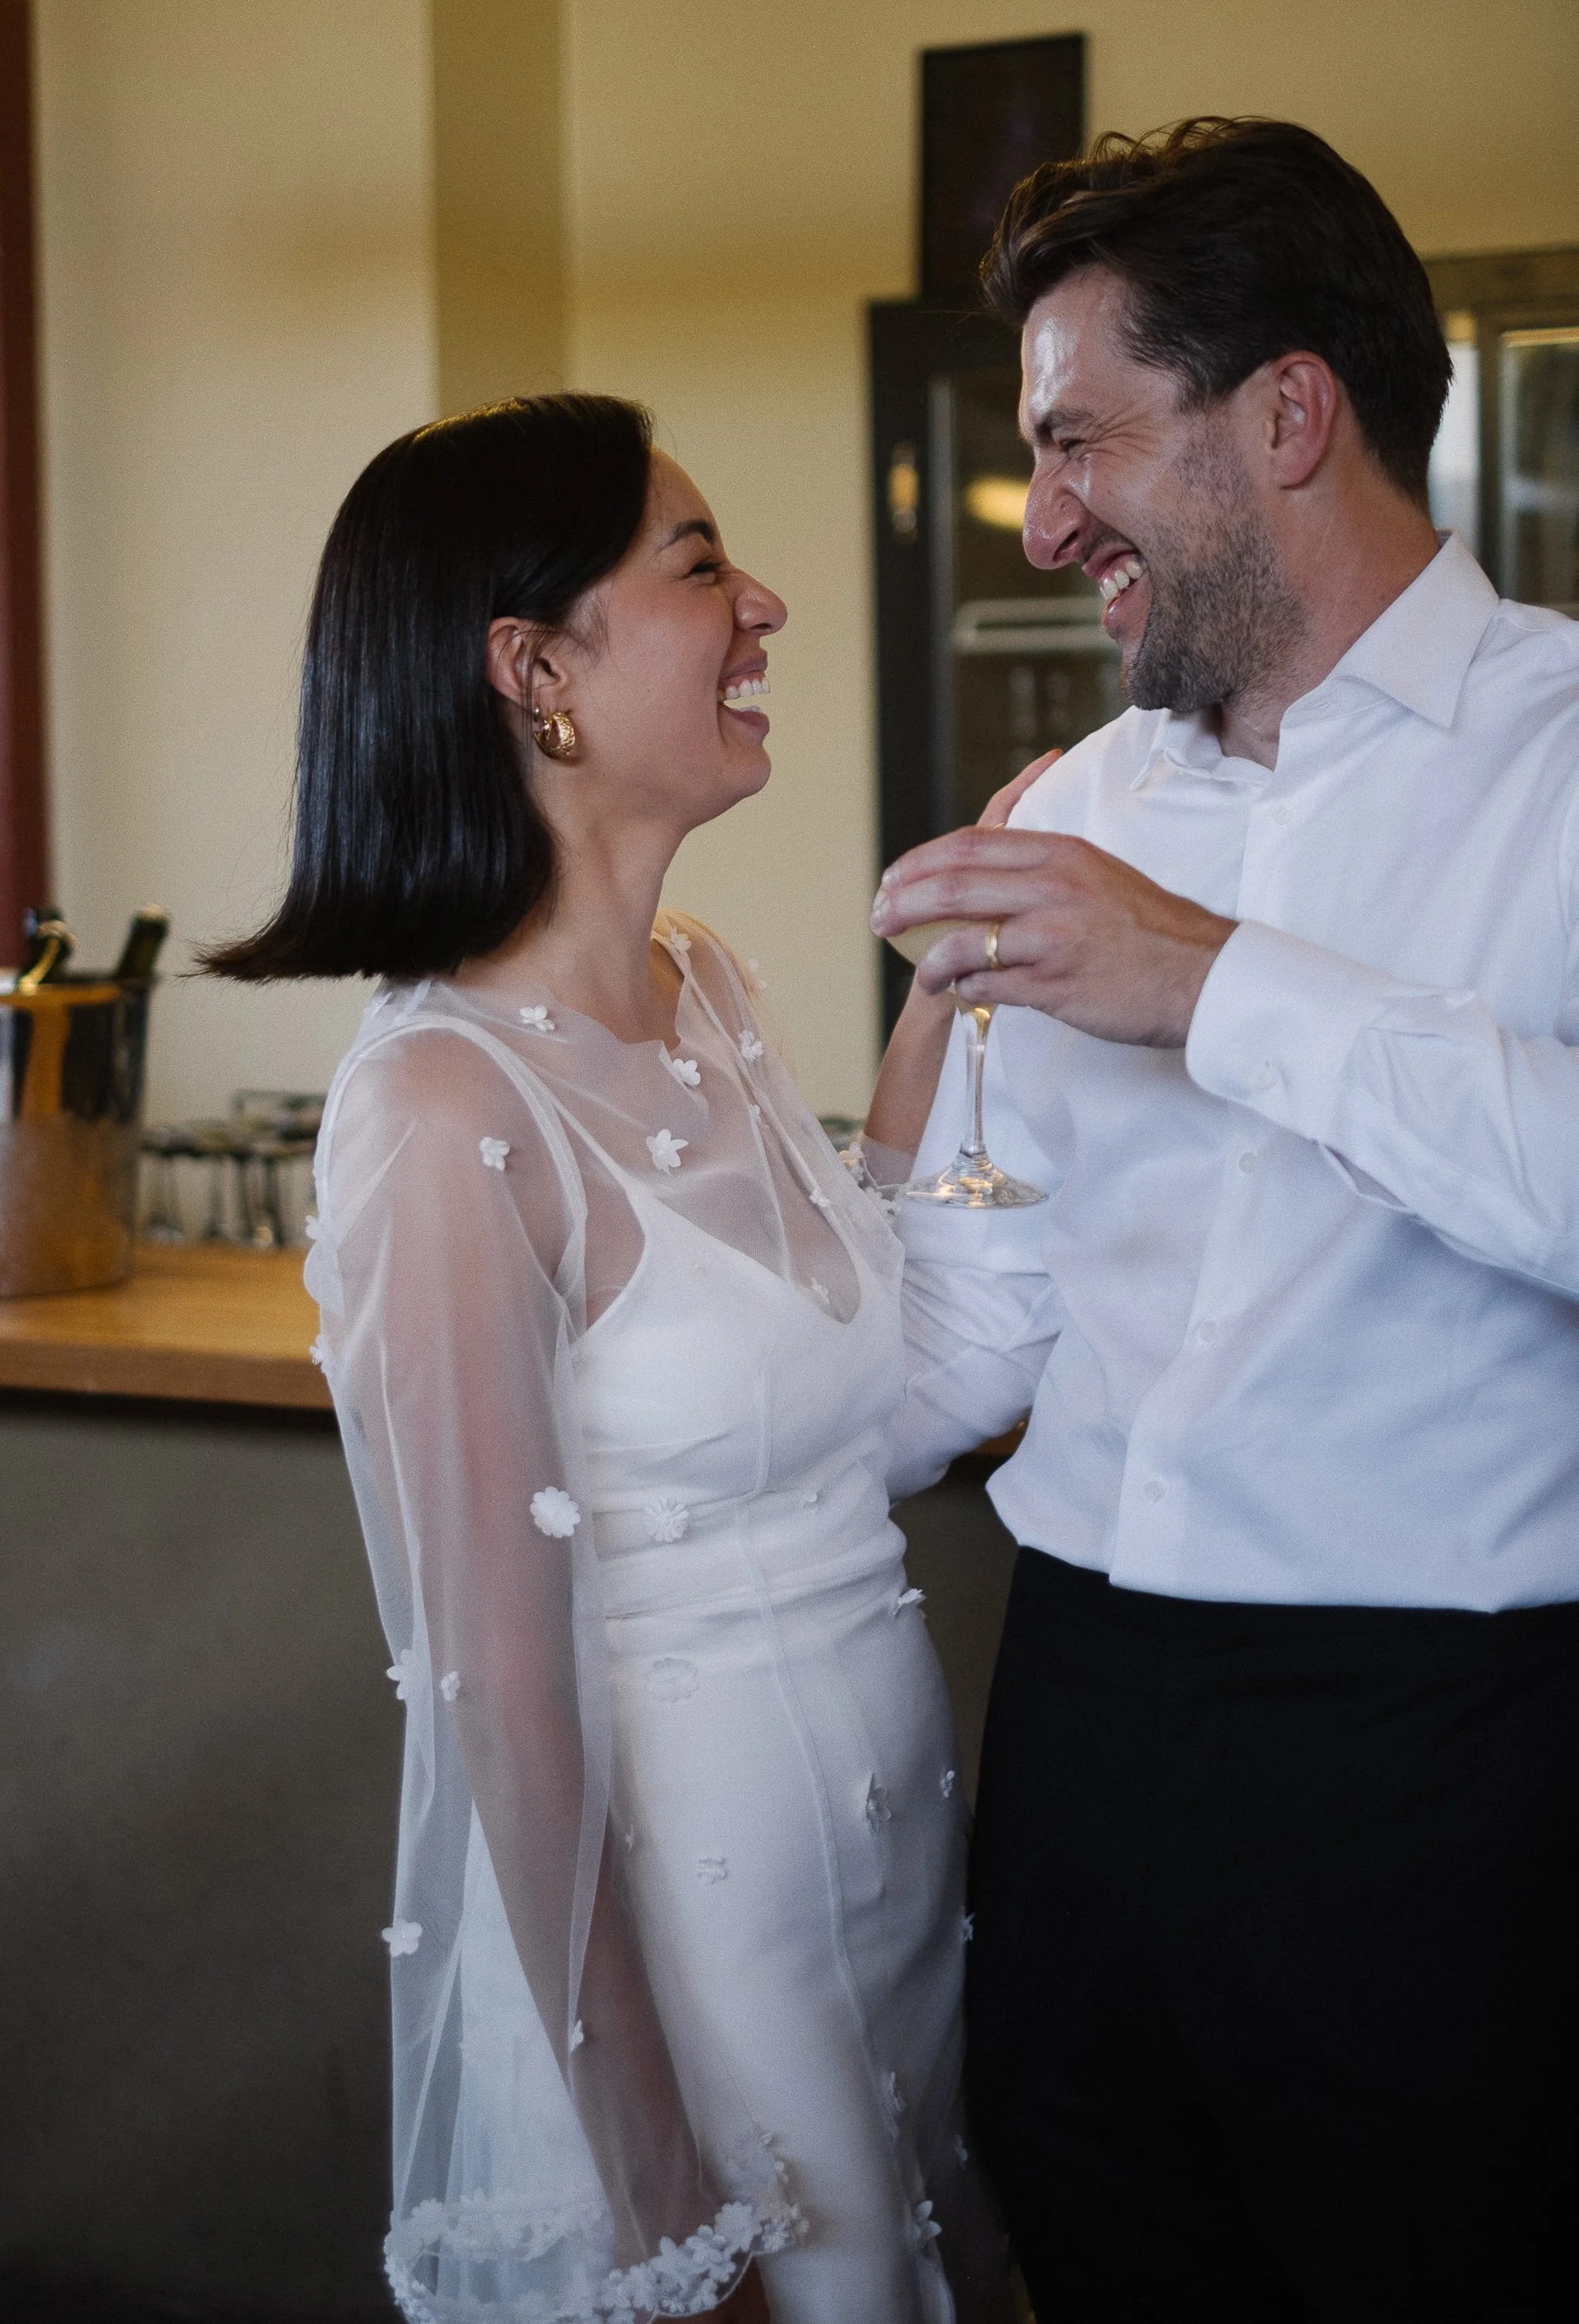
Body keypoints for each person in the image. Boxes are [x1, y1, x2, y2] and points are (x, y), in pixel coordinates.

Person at [867, 119, 1579, 2323]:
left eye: (1079, 437)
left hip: (1438, 1769)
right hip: (1067, 1705)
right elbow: (974, 1311)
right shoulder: (1071, 805)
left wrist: (1213, 986)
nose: (1040, 510)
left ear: (1285, 411)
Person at [206, 395, 1011, 2324]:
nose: (769, 606)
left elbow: (842, 1349)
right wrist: (662, 2194)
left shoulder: (710, 986)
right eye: (703, 563)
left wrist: (953, 993)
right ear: (537, 671)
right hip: (684, 1931)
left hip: (885, 1886)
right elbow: (504, 1694)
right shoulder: (436, 1110)